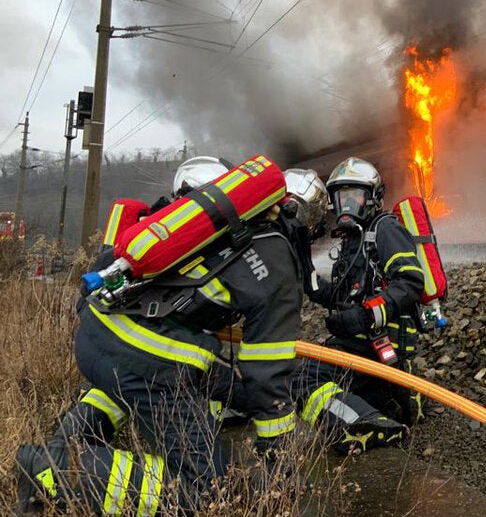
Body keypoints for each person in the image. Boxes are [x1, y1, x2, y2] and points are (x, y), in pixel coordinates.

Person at [15, 155, 306, 516]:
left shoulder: (177, 227)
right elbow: (267, 373)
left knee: (123, 388)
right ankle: (70, 472)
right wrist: (279, 453)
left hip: (97, 337)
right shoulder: (273, 258)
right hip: (149, 363)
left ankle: (57, 447)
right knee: (212, 490)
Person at [293, 157, 426, 452]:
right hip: (361, 341)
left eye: (355, 196)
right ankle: (397, 393)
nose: (347, 205)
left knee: (302, 379)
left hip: (378, 338)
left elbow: (410, 282)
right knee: (317, 374)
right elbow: (345, 297)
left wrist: (365, 316)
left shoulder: (386, 230)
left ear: (373, 198)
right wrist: (311, 282)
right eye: (342, 198)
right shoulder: (354, 242)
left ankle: (366, 425)